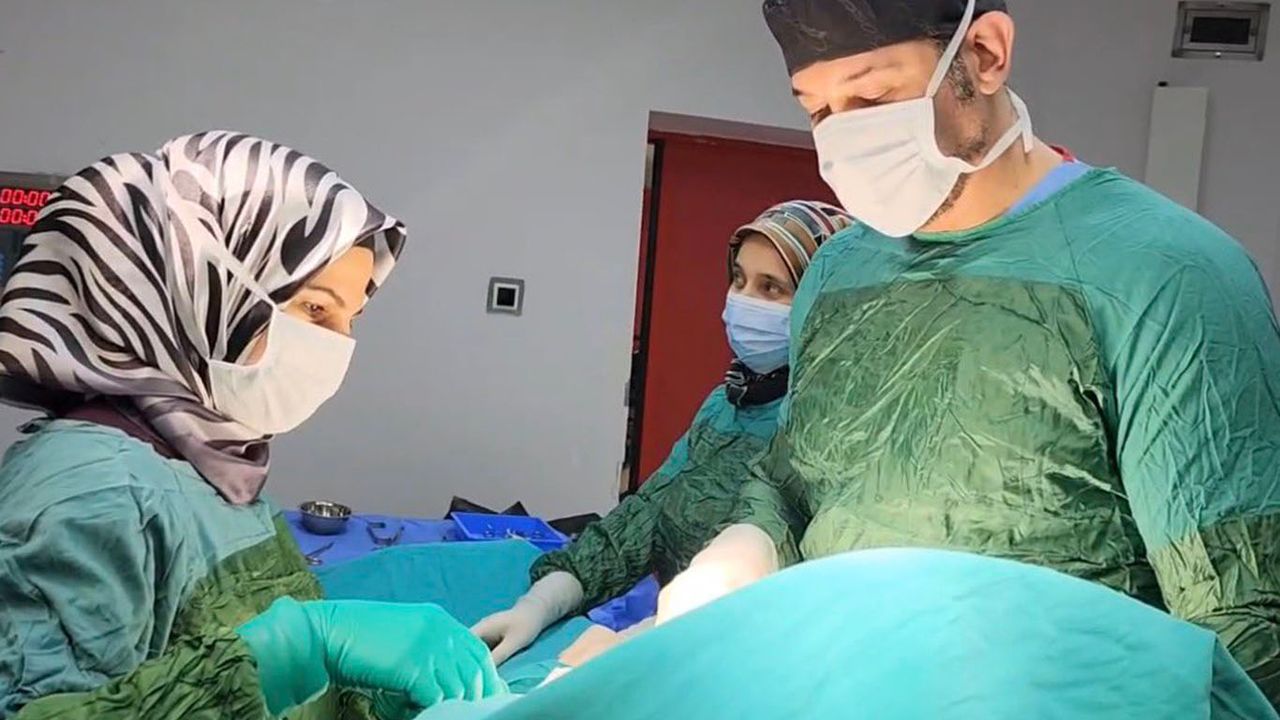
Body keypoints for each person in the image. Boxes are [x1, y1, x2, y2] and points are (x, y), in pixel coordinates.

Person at [658, 0, 1280, 705]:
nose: (843, 137)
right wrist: (747, 546)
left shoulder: (1164, 274)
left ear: (984, 54)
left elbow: (1242, 630)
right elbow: (796, 480)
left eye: (872, 96)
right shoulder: (837, 273)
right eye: (818, 109)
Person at [0, 131, 504, 719]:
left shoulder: (206, 460)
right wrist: (299, 647)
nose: (338, 346)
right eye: (315, 309)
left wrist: (368, 696)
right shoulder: (85, 492)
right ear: (198, 290)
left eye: (351, 318)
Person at [472, 200, 855, 664]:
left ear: (823, 308)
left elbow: (791, 600)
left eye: (771, 287)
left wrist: (639, 644)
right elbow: (646, 515)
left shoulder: (839, 436)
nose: (743, 300)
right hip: (675, 651)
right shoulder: (725, 405)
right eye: (738, 279)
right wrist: (541, 603)